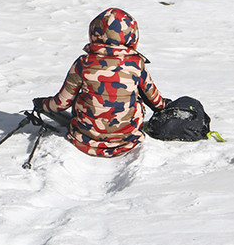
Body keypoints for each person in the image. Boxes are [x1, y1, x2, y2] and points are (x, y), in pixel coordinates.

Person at [33, 8, 168, 158]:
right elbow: (156, 101)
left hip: (85, 138)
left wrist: (43, 104)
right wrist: (165, 106)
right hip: (127, 138)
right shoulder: (136, 65)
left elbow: (62, 103)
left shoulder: (83, 63)